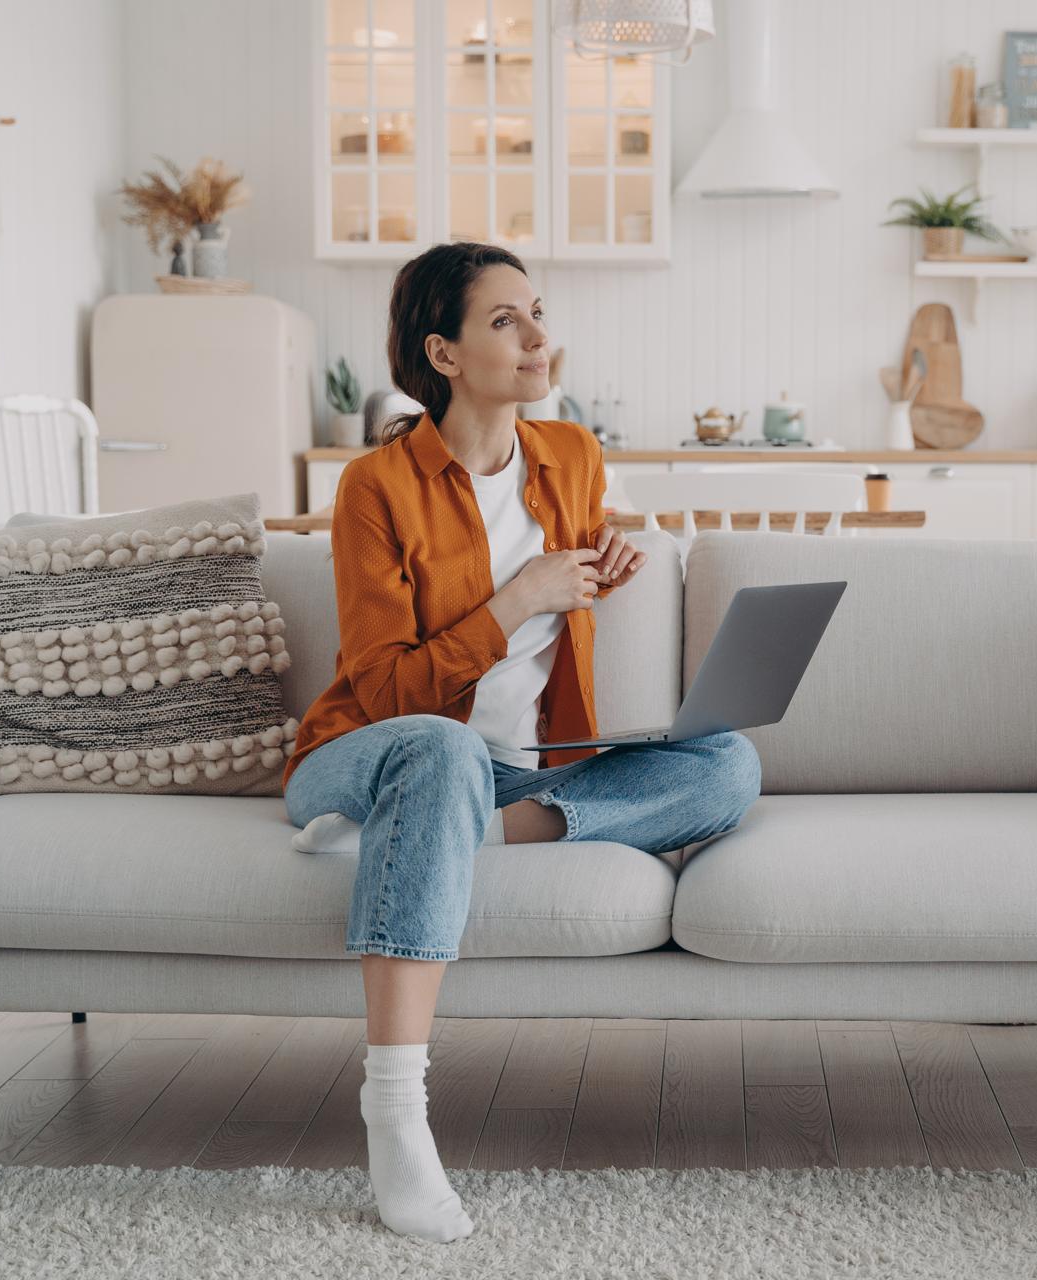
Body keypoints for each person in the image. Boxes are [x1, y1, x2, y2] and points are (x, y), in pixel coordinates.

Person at [281, 242, 761, 1242]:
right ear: (444, 353)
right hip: (369, 750)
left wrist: (611, 543)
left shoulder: (572, 455)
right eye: (507, 320)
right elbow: (386, 690)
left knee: (728, 762)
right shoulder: (376, 485)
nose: (541, 335)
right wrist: (519, 600)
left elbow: (568, 542)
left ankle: (455, 835)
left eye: (538, 311)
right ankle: (397, 1111)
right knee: (441, 755)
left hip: (526, 771)